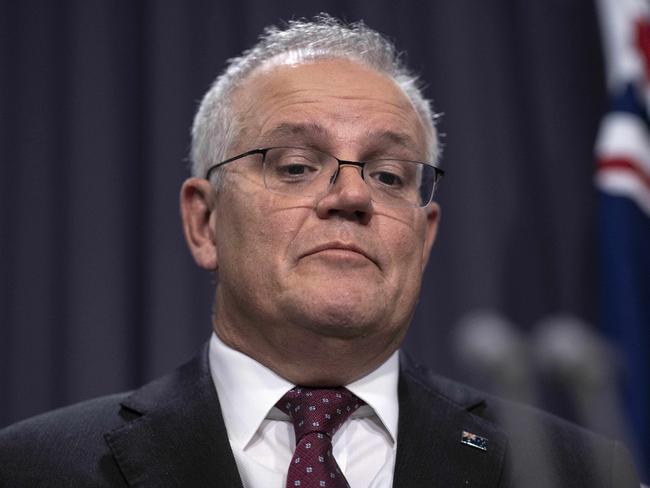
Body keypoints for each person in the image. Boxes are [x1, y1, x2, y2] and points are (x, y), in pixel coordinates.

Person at [0, 14, 641, 488]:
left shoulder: (577, 472)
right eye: (297, 166)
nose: (353, 196)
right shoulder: (35, 468)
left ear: (425, 235)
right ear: (204, 222)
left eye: (390, 176)